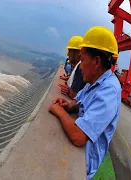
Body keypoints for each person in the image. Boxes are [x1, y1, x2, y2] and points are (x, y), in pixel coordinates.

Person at [49, 26, 122, 180]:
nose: (80, 67)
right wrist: (69, 106)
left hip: (84, 163)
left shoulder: (109, 91)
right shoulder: (94, 82)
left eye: (82, 60)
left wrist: (59, 111)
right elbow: (79, 101)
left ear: (96, 61)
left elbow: (78, 136)